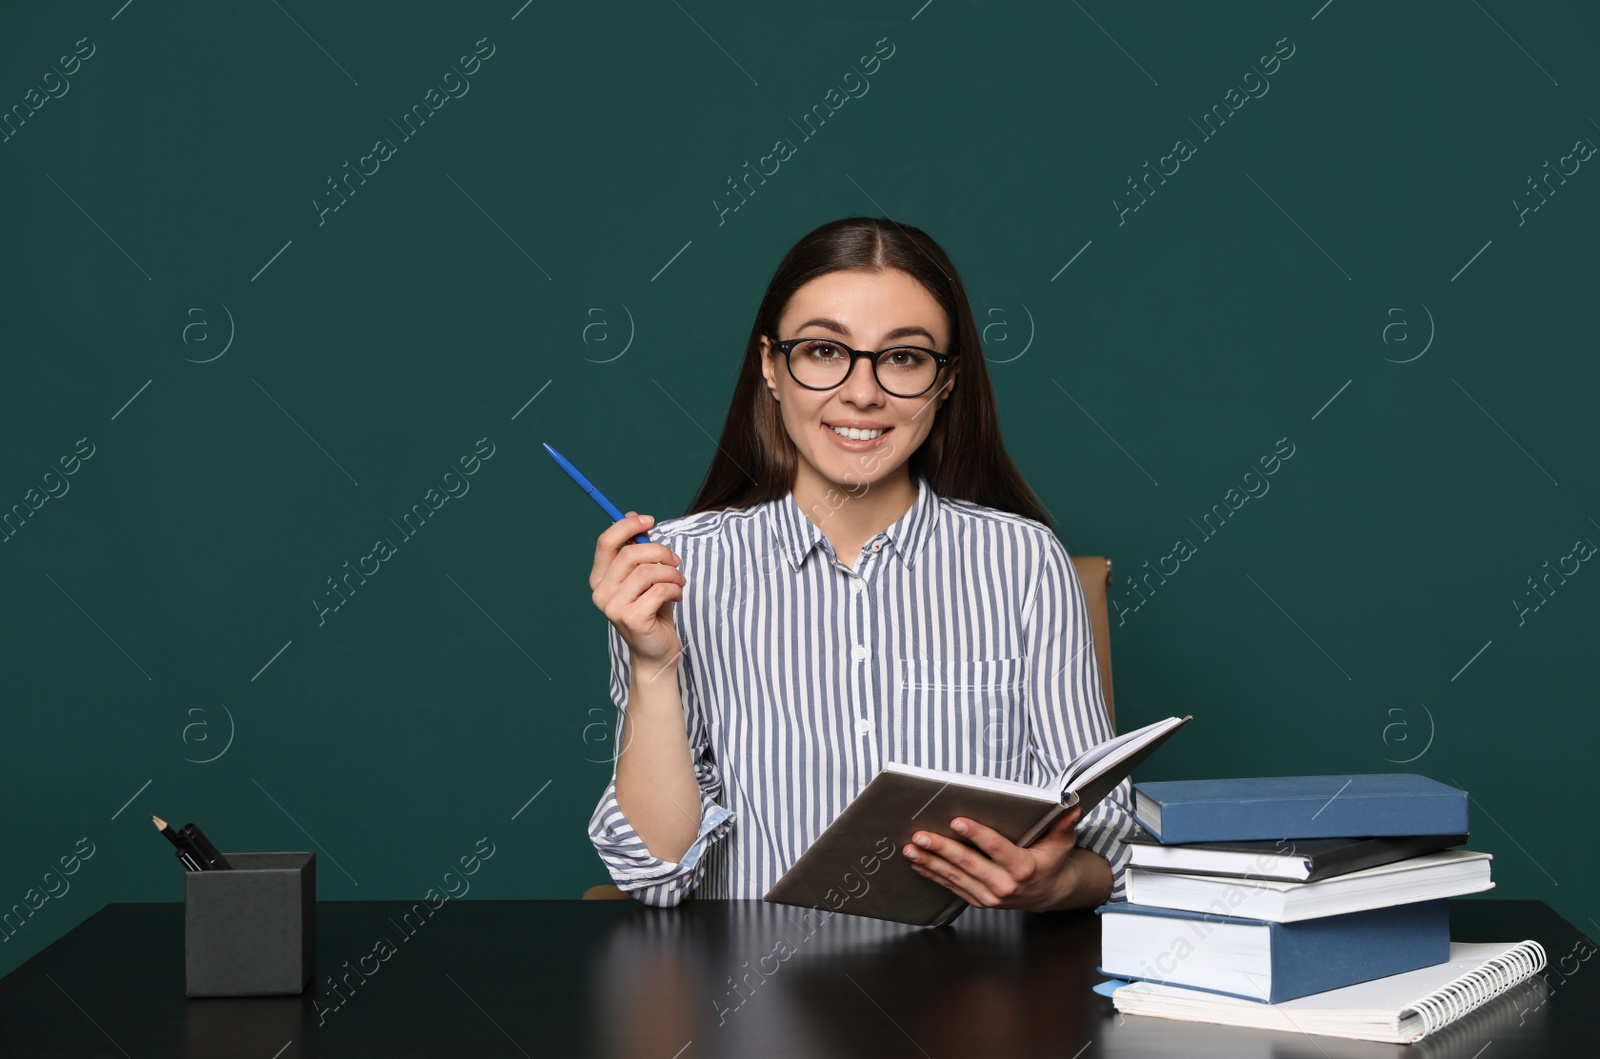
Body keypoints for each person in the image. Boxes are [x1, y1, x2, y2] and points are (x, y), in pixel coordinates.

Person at [585, 216, 1138, 912]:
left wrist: (1054, 881)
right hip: (757, 1000)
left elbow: (1108, 850)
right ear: (770, 365)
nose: (862, 392)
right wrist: (653, 663)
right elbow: (657, 875)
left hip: (974, 1001)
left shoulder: (1024, 562)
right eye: (823, 350)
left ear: (946, 382)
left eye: (903, 358)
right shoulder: (673, 568)